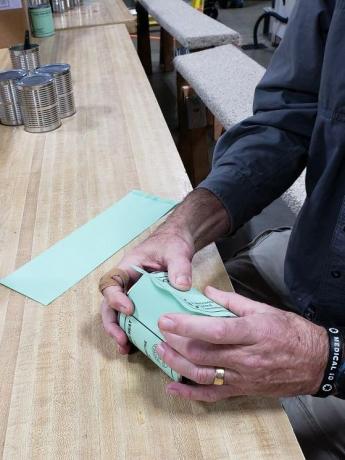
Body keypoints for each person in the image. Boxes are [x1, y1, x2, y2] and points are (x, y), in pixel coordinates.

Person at [100, 0, 345, 458]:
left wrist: (327, 360)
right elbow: (286, 121)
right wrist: (183, 228)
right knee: (141, 341)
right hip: (317, 256)